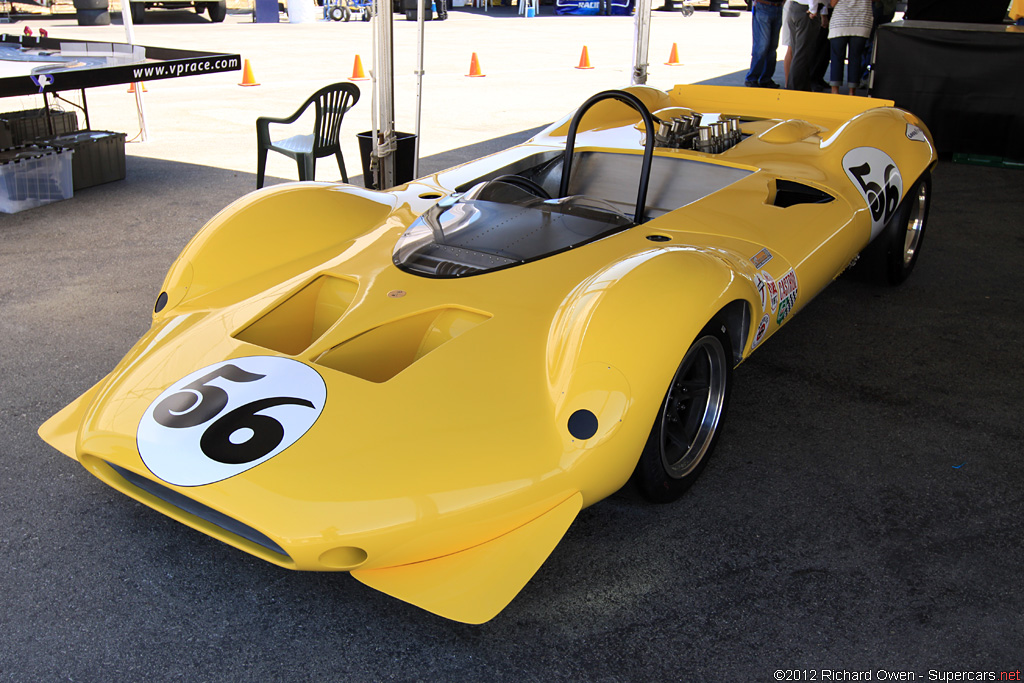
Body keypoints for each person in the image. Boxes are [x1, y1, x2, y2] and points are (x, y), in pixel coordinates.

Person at [827, 0, 872, 95]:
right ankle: (852, 92)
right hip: (862, 20)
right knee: (856, 58)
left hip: (840, 22)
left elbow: (833, 3)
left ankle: (835, 91)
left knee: (836, 57)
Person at [786, 0, 828, 90]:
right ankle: (794, 89)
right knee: (802, 55)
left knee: (798, 53)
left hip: (795, 7)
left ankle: (801, 88)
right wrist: (813, 9)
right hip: (806, 10)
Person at [745, 0, 787, 88]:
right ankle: (752, 77)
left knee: (772, 47)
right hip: (763, 6)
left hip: (777, 7)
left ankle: (765, 78)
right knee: (762, 45)